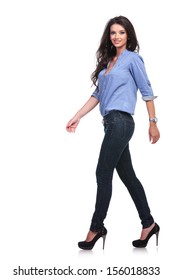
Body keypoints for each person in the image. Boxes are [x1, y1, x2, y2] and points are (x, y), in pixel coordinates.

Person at [66, 15, 160, 250]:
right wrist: (77, 116)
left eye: (121, 32)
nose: (116, 36)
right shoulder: (108, 63)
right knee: (128, 176)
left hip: (122, 122)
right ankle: (149, 224)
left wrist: (153, 122)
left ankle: (96, 228)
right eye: (113, 33)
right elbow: (97, 96)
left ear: (129, 35)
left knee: (102, 172)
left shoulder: (133, 60)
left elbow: (146, 90)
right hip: (110, 123)